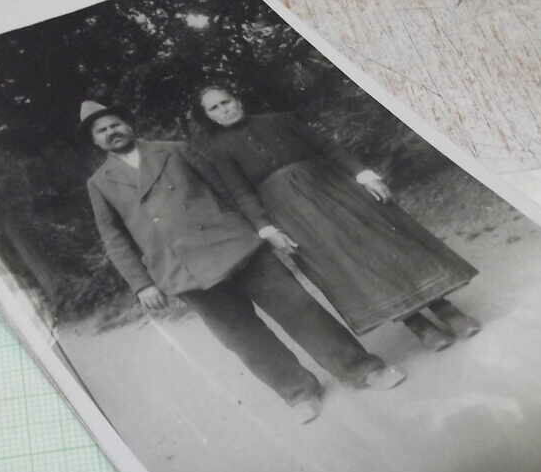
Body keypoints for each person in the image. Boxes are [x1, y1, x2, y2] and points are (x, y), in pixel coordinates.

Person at [80, 100, 407, 423]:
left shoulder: (175, 149)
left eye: (115, 124)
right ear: (95, 141)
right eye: (102, 130)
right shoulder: (99, 183)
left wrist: (258, 227)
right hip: (184, 272)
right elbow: (114, 238)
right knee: (242, 338)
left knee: (300, 308)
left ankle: (363, 369)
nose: (112, 132)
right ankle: (299, 392)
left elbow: (228, 190)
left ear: (129, 125)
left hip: (236, 246)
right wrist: (142, 284)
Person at [189, 85, 482, 351]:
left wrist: (363, 175)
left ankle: (447, 311)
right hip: (294, 215)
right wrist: (266, 228)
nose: (224, 109)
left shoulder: (279, 120)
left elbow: (329, 148)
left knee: (386, 244)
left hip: (334, 190)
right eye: (214, 108)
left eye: (226, 101)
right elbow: (242, 194)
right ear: (208, 117)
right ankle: (417, 325)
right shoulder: (218, 151)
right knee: (353, 265)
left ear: (237, 99)